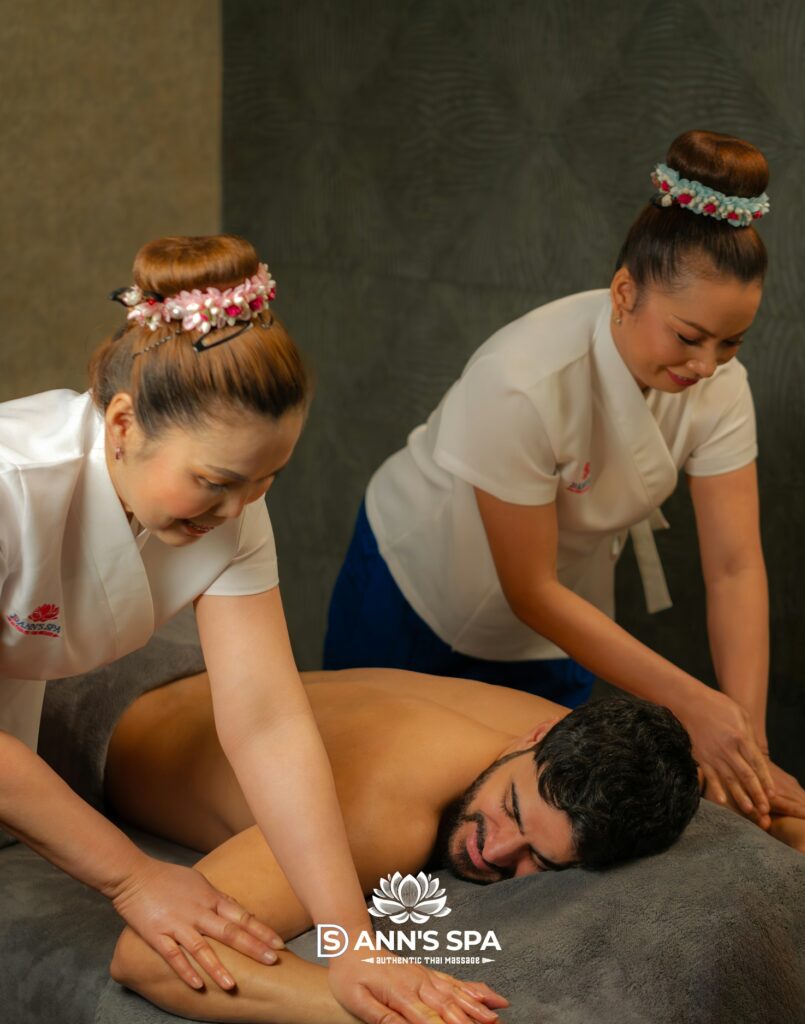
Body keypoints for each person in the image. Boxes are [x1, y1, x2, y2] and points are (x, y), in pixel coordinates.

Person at [0, 235, 504, 1024]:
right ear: (123, 423)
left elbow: (266, 719)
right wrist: (134, 878)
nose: (237, 510)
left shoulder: (231, 510)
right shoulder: (12, 487)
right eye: (215, 481)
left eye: (266, 479)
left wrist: (352, 943)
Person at [323, 129, 805, 830]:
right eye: (688, 337)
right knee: (367, 802)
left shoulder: (719, 388)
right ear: (624, 292)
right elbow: (528, 587)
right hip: (418, 586)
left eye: (731, 341)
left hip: (565, 612)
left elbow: (735, 567)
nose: (707, 365)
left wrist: (747, 746)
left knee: (542, 822)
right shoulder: (522, 379)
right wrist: (690, 704)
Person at [106, 667, 705, 1022]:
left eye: (538, 860)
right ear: (537, 737)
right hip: (104, 722)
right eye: (511, 809)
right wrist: (389, 1010)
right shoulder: (383, 816)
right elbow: (145, 957)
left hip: (193, 680)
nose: (496, 852)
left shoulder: (560, 731)